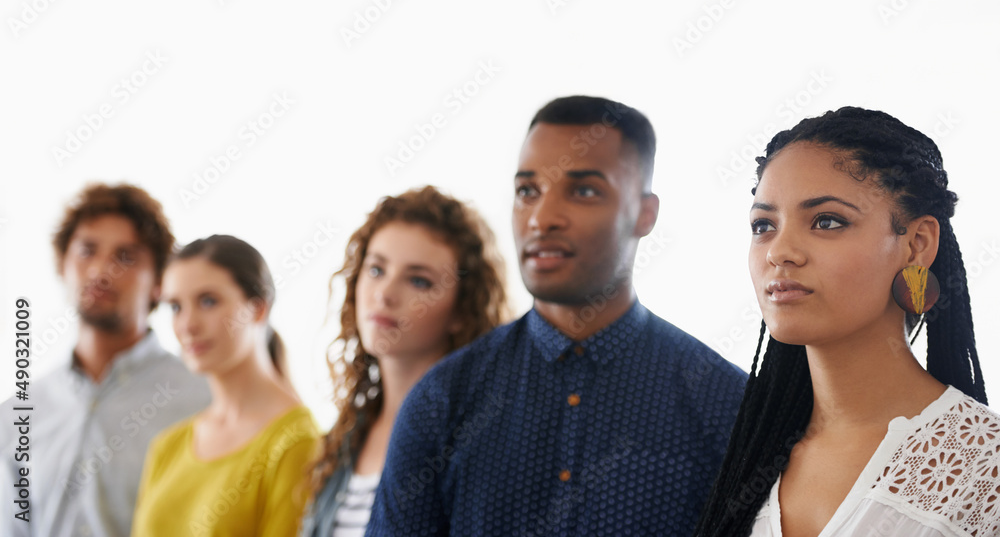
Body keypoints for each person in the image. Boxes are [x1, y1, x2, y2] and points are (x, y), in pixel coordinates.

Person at [367, 96, 748, 536]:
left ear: (645, 214)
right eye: (527, 192)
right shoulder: (441, 400)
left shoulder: (725, 404)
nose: (541, 218)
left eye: (583, 191)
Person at [693, 107, 999, 537]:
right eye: (764, 225)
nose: (779, 252)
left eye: (827, 221)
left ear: (917, 245)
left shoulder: (986, 467)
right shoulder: (745, 453)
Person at [0, 183, 211, 537]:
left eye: (125, 256)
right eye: (87, 251)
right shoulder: (17, 415)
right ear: (62, 264)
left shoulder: (205, 401)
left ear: (159, 282)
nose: (101, 271)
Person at [299, 185, 511, 537]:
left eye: (418, 281)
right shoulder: (347, 435)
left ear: (462, 310)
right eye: (376, 269)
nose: (385, 294)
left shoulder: (479, 438)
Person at [131, 235, 321, 535]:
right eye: (176, 307)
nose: (188, 325)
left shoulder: (297, 444)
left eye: (208, 301)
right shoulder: (168, 446)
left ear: (258, 309)